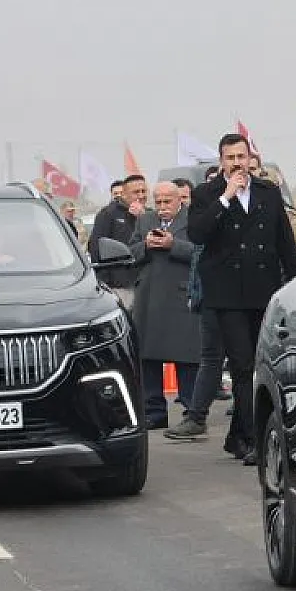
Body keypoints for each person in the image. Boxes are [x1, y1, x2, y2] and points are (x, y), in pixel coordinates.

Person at [178, 133, 296, 461]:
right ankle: (252, 439)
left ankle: (237, 437)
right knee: (242, 364)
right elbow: (197, 234)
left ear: (250, 158)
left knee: (261, 364)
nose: (237, 163)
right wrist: (226, 197)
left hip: (263, 290)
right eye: (230, 158)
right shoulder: (207, 194)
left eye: (241, 157)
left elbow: (285, 244)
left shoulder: (268, 193)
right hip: (227, 294)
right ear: (221, 161)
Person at [129, 181, 201, 430]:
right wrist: (146, 246)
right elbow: (129, 253)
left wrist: (174, 245)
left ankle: (192, 409)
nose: (162, 207)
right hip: (149, 296)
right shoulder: (145, 221)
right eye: (158, 202)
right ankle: (154, 410)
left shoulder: (193, 219)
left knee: (186, 355)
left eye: (166, 201)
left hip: (181, 295)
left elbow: (201, 252)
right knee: (148, 355)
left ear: (179, 199)